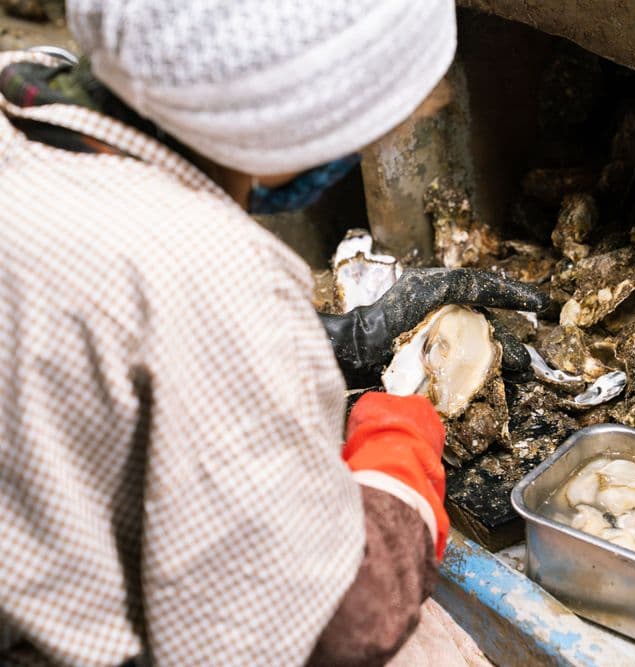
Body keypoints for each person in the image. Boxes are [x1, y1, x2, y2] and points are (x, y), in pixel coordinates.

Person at [0, 1, 547, 665]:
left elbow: (110, 325)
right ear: (302, 112)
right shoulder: (219, 280)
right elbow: (342, 622)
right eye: (373, 122)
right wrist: (401, 444)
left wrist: (338, 341)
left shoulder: (21, 100)